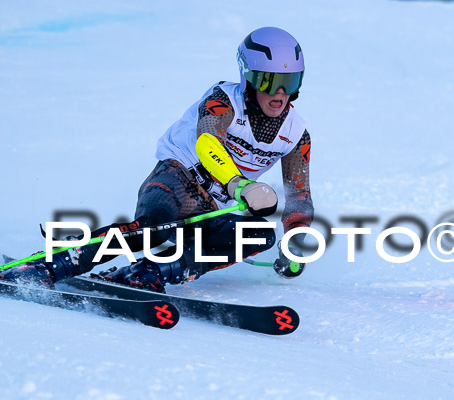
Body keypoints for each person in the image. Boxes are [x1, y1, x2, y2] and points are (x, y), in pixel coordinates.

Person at [0, 26, 313, 292]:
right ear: (248, 76)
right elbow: (208, 144)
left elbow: (299, 196)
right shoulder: (223, 100)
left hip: (211, 208)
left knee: (259, 234)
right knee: (156, 228)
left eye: (291, 83)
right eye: (270, 81)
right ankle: (49, 266)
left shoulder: (295, 134)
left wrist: (296, 243)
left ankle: (152, 273)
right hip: (176, 177)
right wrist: (239, 185)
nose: (280, 94)